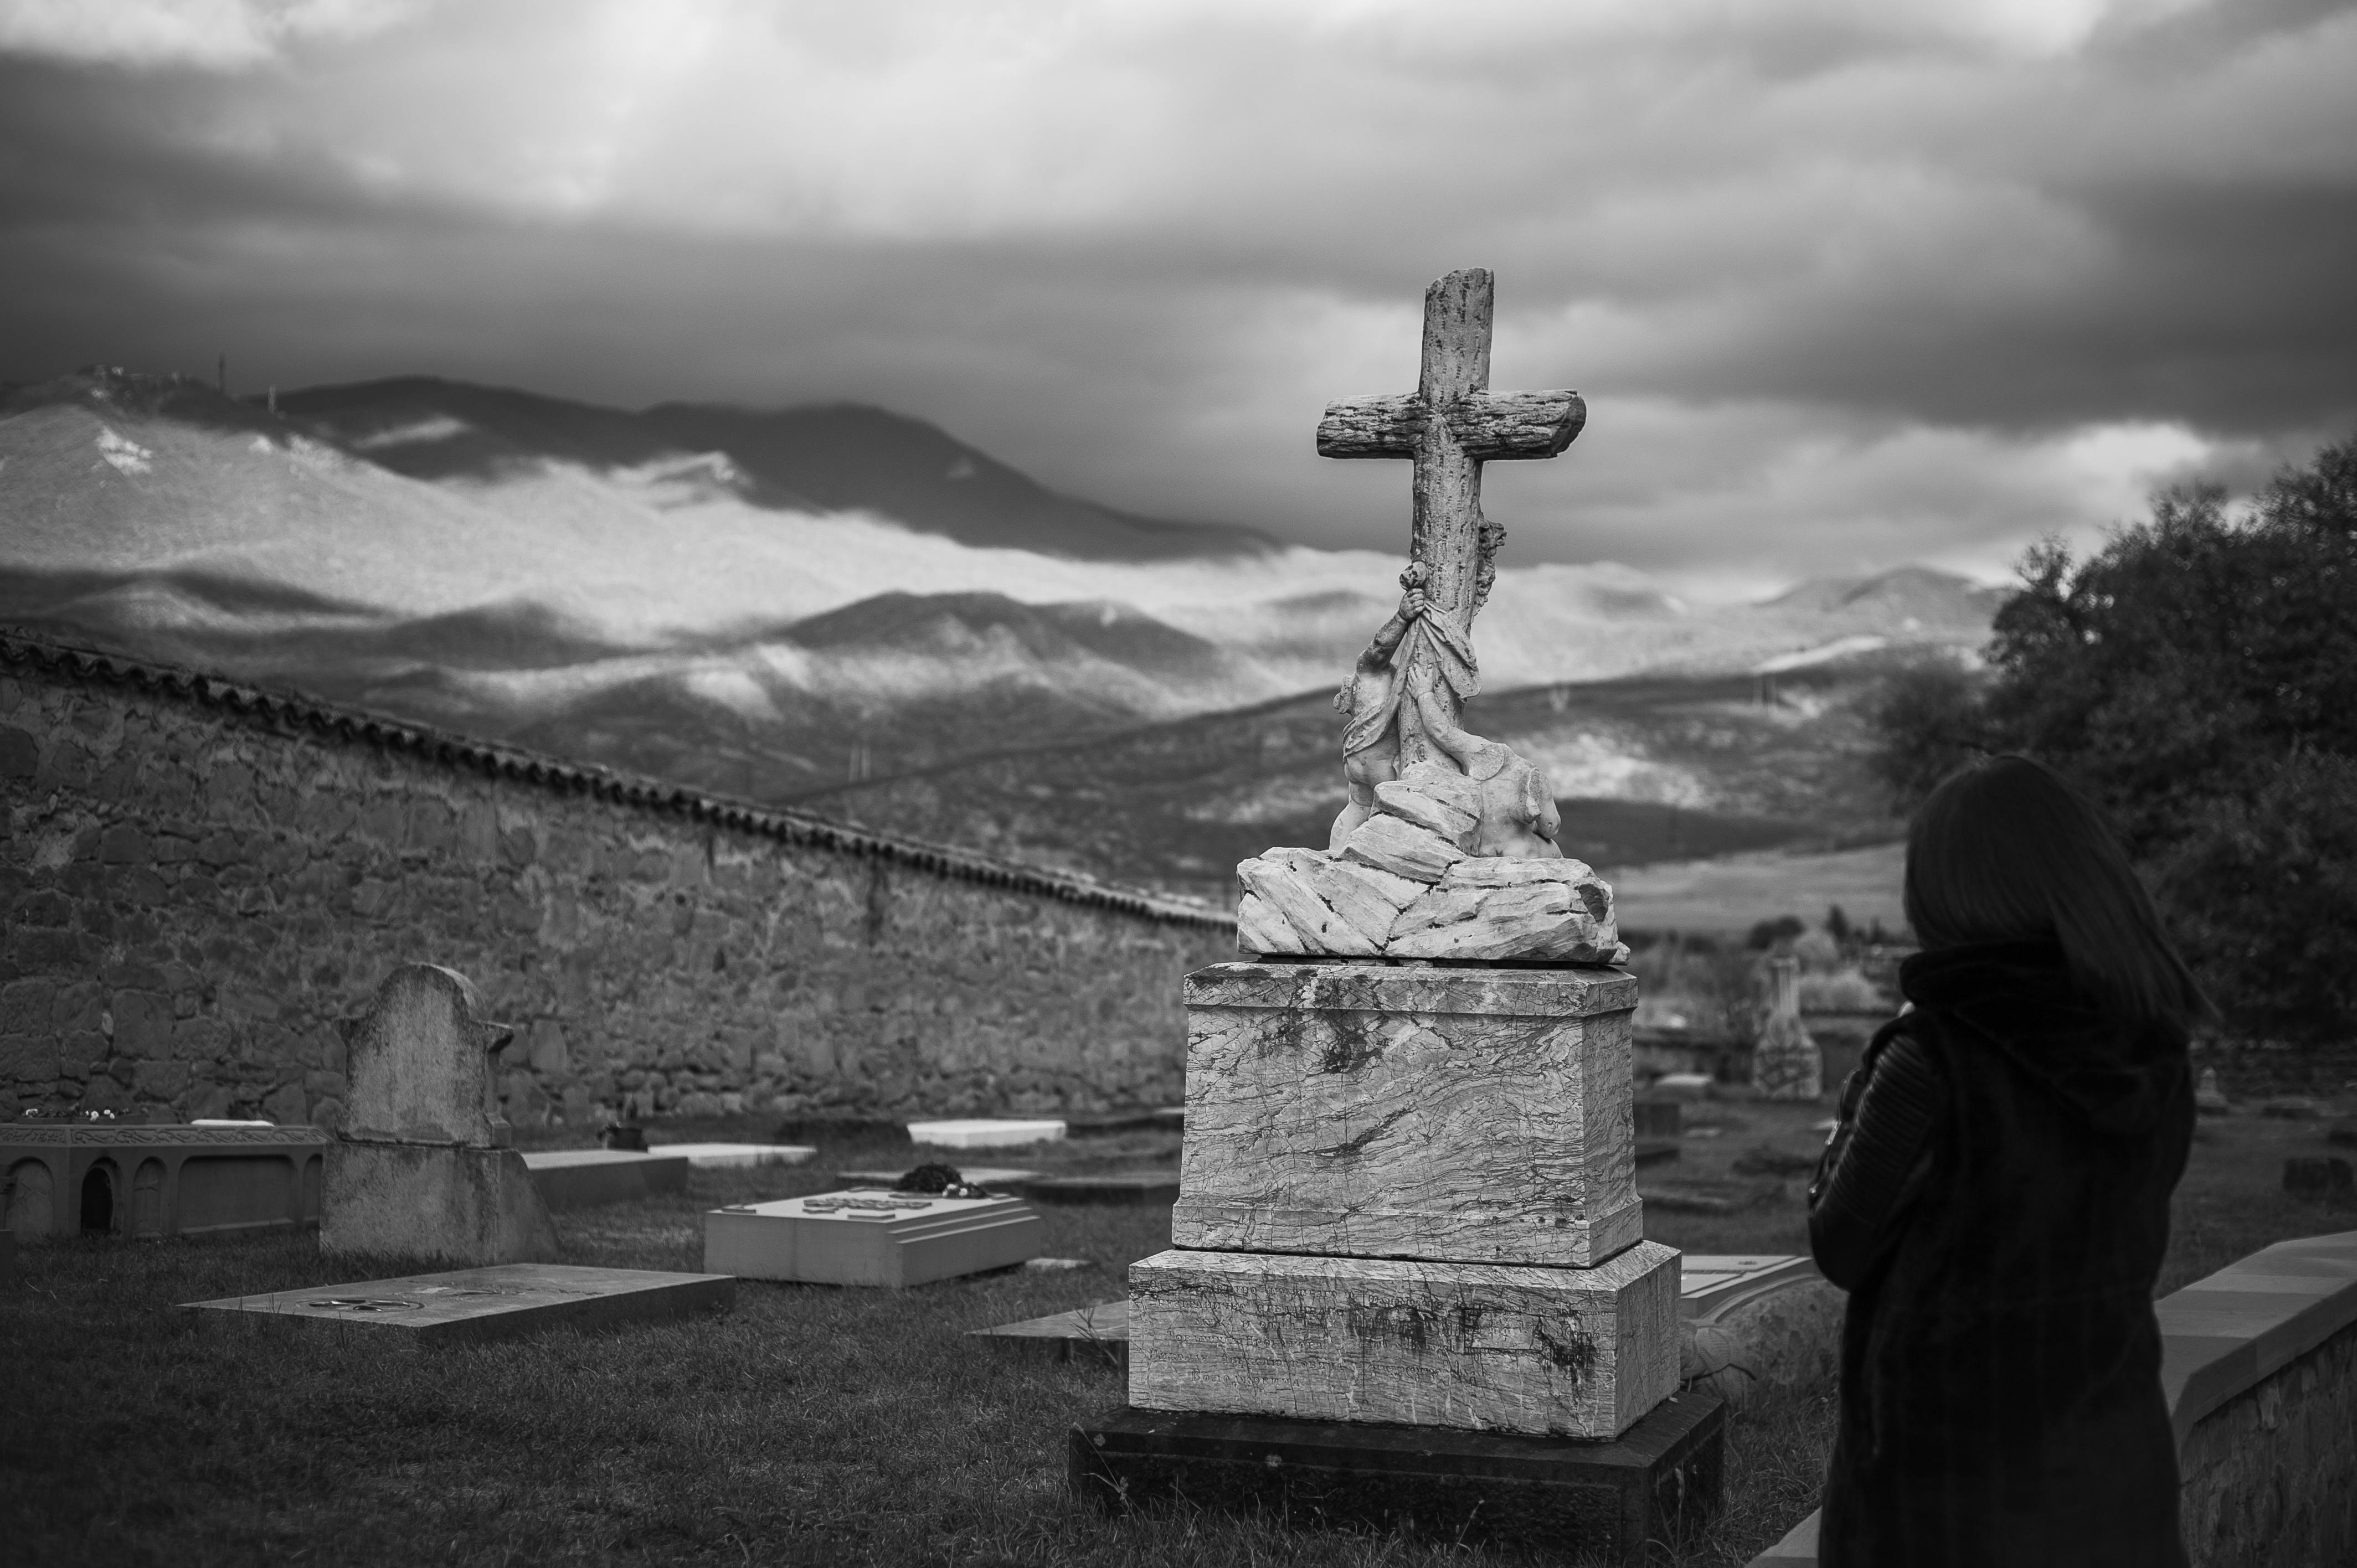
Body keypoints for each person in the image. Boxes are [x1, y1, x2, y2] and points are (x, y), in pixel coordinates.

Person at [1809, 754, 2208, 1567]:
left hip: (1950, 1504)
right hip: (2113, 1478)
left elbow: (1840, 1241)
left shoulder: (1934, 1055)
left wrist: (1871, 1074)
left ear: (1945, 895)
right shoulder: (2152, 1045)